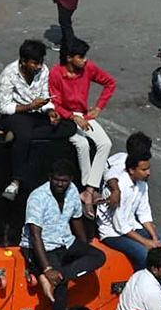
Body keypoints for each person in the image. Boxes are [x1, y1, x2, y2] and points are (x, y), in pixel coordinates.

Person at [20, 159, 106, 310]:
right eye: (56, 179)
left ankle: (61, 277)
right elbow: (36, 236)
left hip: (65, 241)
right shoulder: (38, 197)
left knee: (98, 256)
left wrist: (84, 245)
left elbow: (76, 219)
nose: (60, 184)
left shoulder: (72, 190)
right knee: (61, 289)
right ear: (50, 177)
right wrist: (48, 269)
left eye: (64, 180)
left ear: (70, 179)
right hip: (43, 247)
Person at [95, 152, 161, 307]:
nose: (149, 173)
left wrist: (154, 238)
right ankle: (139, 295)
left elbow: (144, 212)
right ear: (132, 170)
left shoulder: (142, 185)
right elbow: (120, 225)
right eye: (144, 169)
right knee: (144, 254)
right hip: (113, 233)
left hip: (131, 226)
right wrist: (146, 243)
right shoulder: (120, 187)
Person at [0, 40, 74, 202]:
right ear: (23, 62)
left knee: (69, 127)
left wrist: (50, 111)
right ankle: (15, 180)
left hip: (37, 114)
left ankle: (17, 136)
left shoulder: (43, 71)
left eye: (40, 63)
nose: (38, 67)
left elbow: (46, 96)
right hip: (16, 114)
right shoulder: (9, 73)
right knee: (24, 134)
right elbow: (4, 107)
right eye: (34, 63)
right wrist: (29, 106)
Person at [49, 39, 115, 197]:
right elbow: (55, 103)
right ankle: (87, 184)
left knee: (105, 143)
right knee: (82, 144)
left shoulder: (88, 68)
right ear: (69, 58)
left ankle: (90, 188)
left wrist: (98, 107)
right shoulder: (56, 74)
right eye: (80, 57)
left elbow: (110, 83)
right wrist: (72, 117)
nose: (84, 60)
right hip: (65, 118)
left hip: (83, 115)